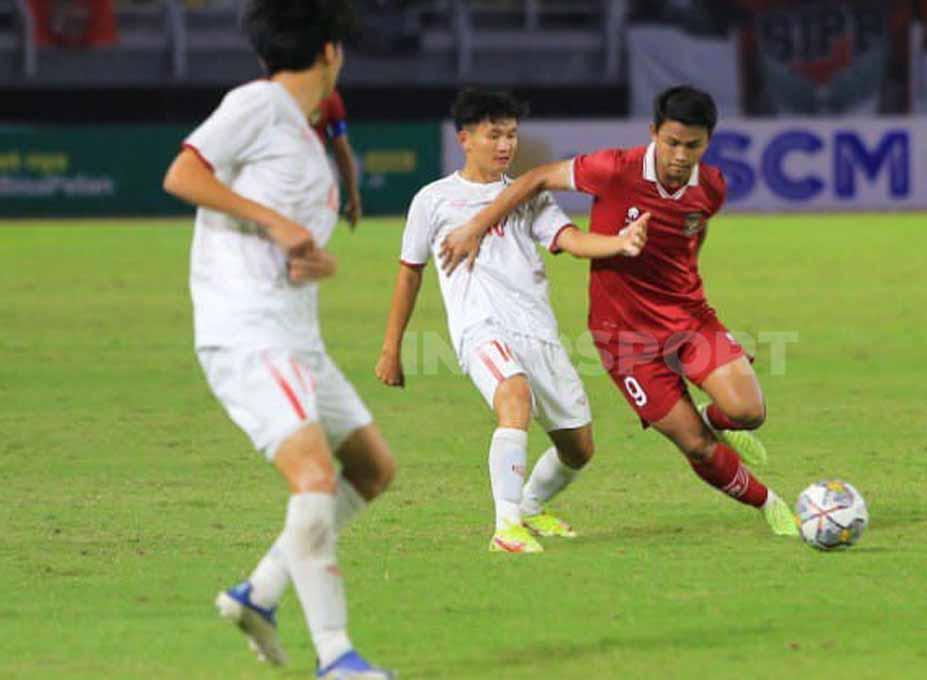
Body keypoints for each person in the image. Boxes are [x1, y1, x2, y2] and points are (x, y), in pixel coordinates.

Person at [438, 86, 799, 537]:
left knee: (748, 411)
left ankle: (711, 416)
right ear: (653, 133)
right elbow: (535, 179)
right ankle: (772, 505)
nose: (680, 156)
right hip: (624, 338)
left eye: (693, 145)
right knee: (699, 447)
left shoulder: (711, 188)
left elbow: (691, 238)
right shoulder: (613, 168)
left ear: (708, 142)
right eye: (671, 142)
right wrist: (475, 226)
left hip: (688, 319)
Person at [161, 1, 395, 677]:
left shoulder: (301, 136)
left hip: (297, 336)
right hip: (249, 332)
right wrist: (274, 225)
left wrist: (308, 255)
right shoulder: (259, 104)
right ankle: (337, 657)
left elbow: (290, 241)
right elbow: (184, 173)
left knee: (372, 469)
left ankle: (258, 593)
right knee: (314, 477)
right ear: (330, 53)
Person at [374, 89, 648, 553]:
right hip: (480, 328)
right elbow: (409, 274)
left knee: (578, 448)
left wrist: (619, 243)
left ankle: (531, 505)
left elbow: (571, 240)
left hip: (537, 330)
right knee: (514, 396)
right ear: (465, 138)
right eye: (494, 135)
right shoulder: (433, 200)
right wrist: (390, 348)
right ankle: (506, 528)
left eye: (512, 135)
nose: (505, 145)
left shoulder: (526, 196)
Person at [311, 88, 364, 228]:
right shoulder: (267, 94)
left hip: (311, 183)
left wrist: (353, 196)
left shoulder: (328, 96)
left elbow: (341, 149)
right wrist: (353, 197)